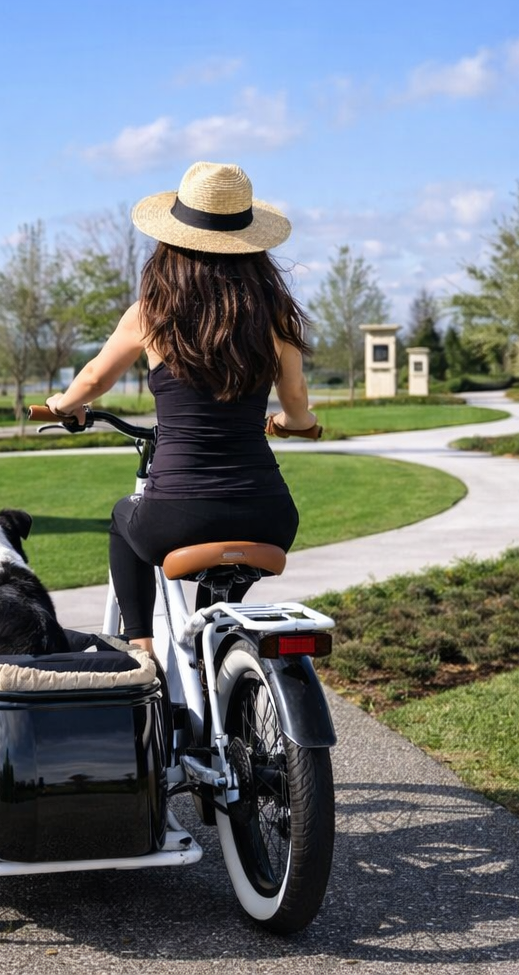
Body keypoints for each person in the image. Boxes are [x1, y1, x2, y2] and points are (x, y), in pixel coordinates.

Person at [45, 161, 319, 658]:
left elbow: (94, 380)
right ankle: (220, 654)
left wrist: (63, 405)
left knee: (123, 517)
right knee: (225, 589)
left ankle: (140, 646)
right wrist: (292, 424)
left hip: (176, 515)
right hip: (269, 515)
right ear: (251, 244)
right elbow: (296, 400)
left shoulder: (153, 309)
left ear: (172, 241)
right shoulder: (274, 312)